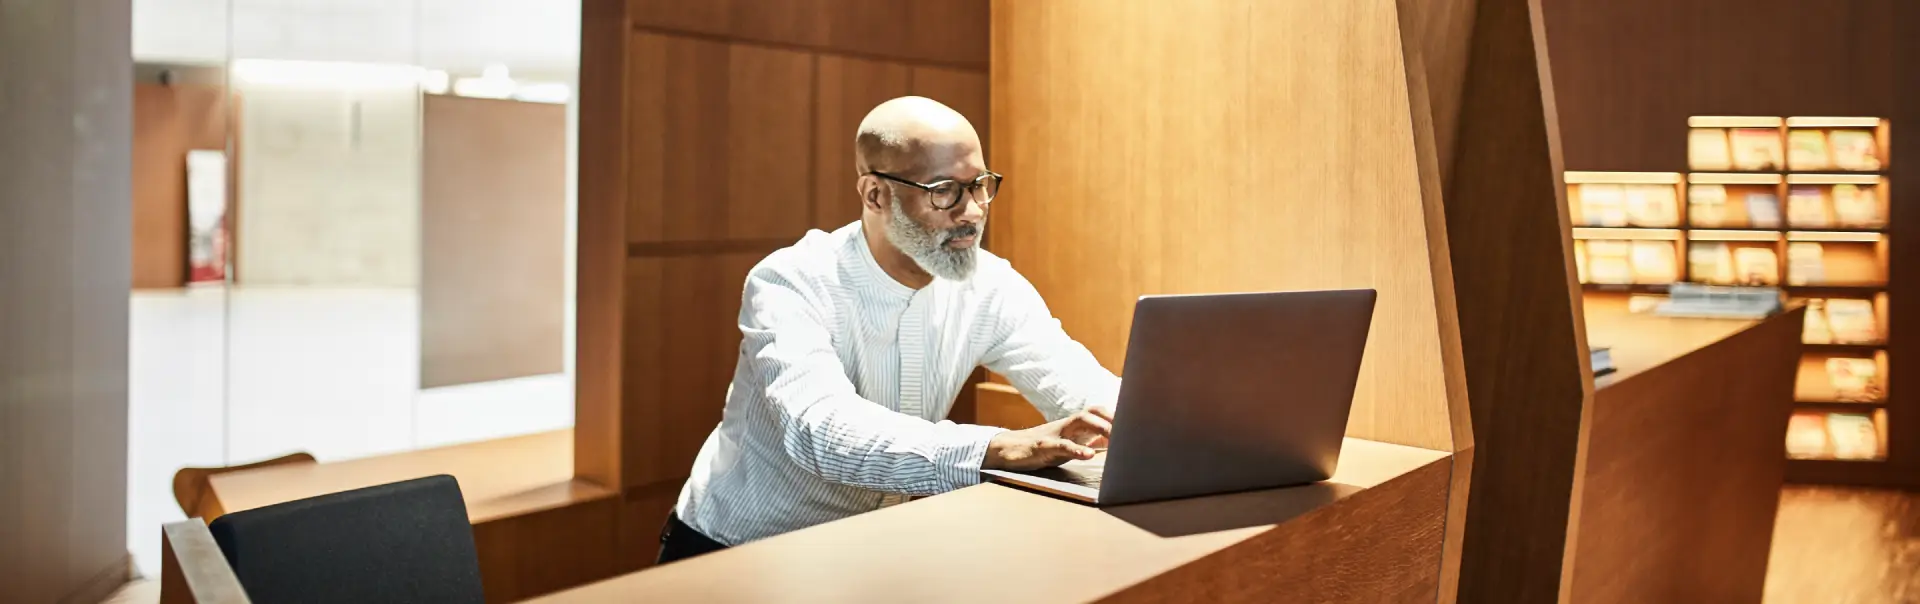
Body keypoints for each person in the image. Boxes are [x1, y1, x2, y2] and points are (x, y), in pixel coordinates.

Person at [658, 96, 1121, 565]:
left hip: (871, 553)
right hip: (740, 554)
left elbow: (1083, 389)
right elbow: (822, 432)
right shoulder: (792, 280)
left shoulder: (991, 284)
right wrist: (996, 447)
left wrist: (1156, 426)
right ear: (875, 194)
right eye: (945, 190)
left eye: (980, 185)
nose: (974, 211)